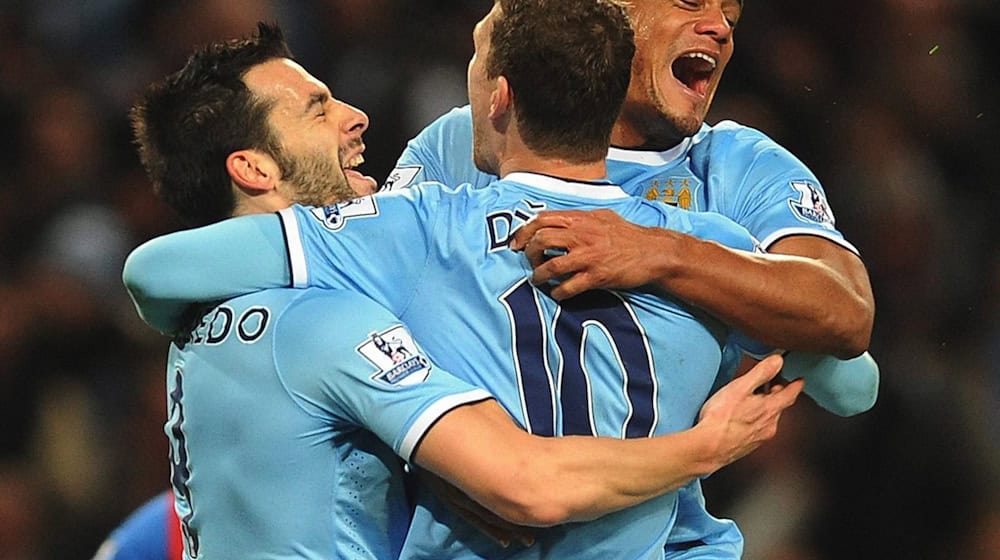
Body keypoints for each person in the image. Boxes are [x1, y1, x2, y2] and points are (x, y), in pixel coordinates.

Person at [123, 2, 804, 558]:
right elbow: (526, 484)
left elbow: (148, 271)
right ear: (254, 169)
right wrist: (705, 445)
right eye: (316, 108)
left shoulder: (205, 322)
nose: (355, 117)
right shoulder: (329, 322)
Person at [385, 2, 880, 555]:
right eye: (690, 1)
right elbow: (354, 313)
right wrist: (451, 457)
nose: (719, 27)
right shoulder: (475, 136)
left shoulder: (738, 166)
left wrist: (661, 252)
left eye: (731, 17)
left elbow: (844, 313)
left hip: (661, 540)